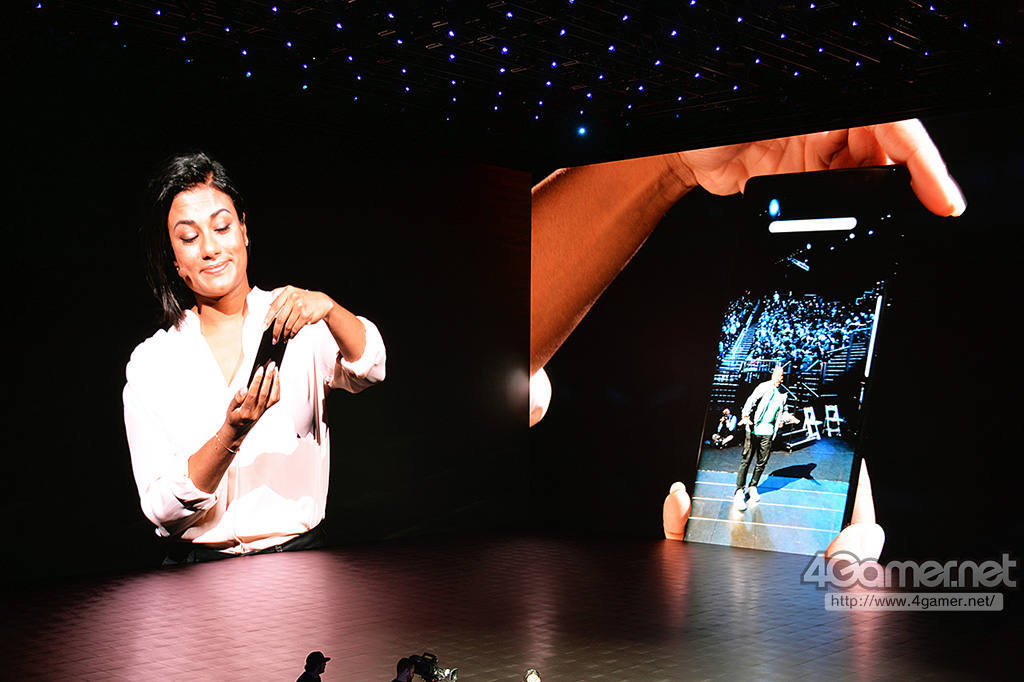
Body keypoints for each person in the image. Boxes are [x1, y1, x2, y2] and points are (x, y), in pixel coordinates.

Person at [124, 151, 386, 562]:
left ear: (244, 230)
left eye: (222, 227)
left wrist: (330, 309)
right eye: (189, 238)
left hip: (298, 562)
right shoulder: (152, 362)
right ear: (173, 258)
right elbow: (161, 511)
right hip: (196, 572)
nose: (211, 248)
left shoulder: (295, 315)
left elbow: (370, 366)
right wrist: (231, 434)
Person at [733, 367, 799, 511]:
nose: (779, 378)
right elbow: (751, 400)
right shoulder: (764, 387)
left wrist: (788, 418)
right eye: (777, 375)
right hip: (754, 429)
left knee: (762, 462)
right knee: (746, 460)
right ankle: (739, 491)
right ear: (772, 375)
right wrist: (745, 415)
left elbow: (783, 412)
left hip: (768, 432)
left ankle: (753, 486)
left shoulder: (783, 394)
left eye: (781, 376)